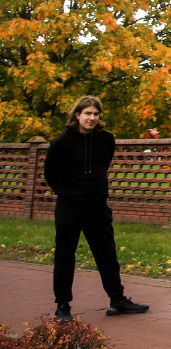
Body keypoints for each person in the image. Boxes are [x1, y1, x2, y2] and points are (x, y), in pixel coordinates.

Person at [44, 96, 149, 322]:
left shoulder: (106, 140)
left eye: (95, 114)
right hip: (69, 206)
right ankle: (62, 306)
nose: (91, 118)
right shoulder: (61, 142)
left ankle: (117, 300)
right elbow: (50, 174)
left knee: (107, 253)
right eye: (87, 113)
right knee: (65, 255)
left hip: (97, 206)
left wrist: (93, 190)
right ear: (77, 115)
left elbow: (102, 167)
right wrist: (70, 191)